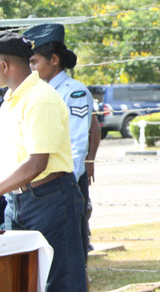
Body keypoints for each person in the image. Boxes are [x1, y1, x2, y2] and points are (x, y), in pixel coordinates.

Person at [0, 31, 87, 292]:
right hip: (16, 200)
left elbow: (36, 163)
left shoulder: (40, 98)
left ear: (3, 65)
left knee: (60, 282)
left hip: (49, 199)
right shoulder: (10, 101)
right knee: (20, 280)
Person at [25, 22, 101, 267]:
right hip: (41, 186)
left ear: (54, 60)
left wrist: (68, 187)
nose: (31, 68)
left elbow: (76, 144)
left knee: (70, 262)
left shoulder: (73, 92)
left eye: (34, 62)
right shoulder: (35, 92)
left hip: (64, 184)